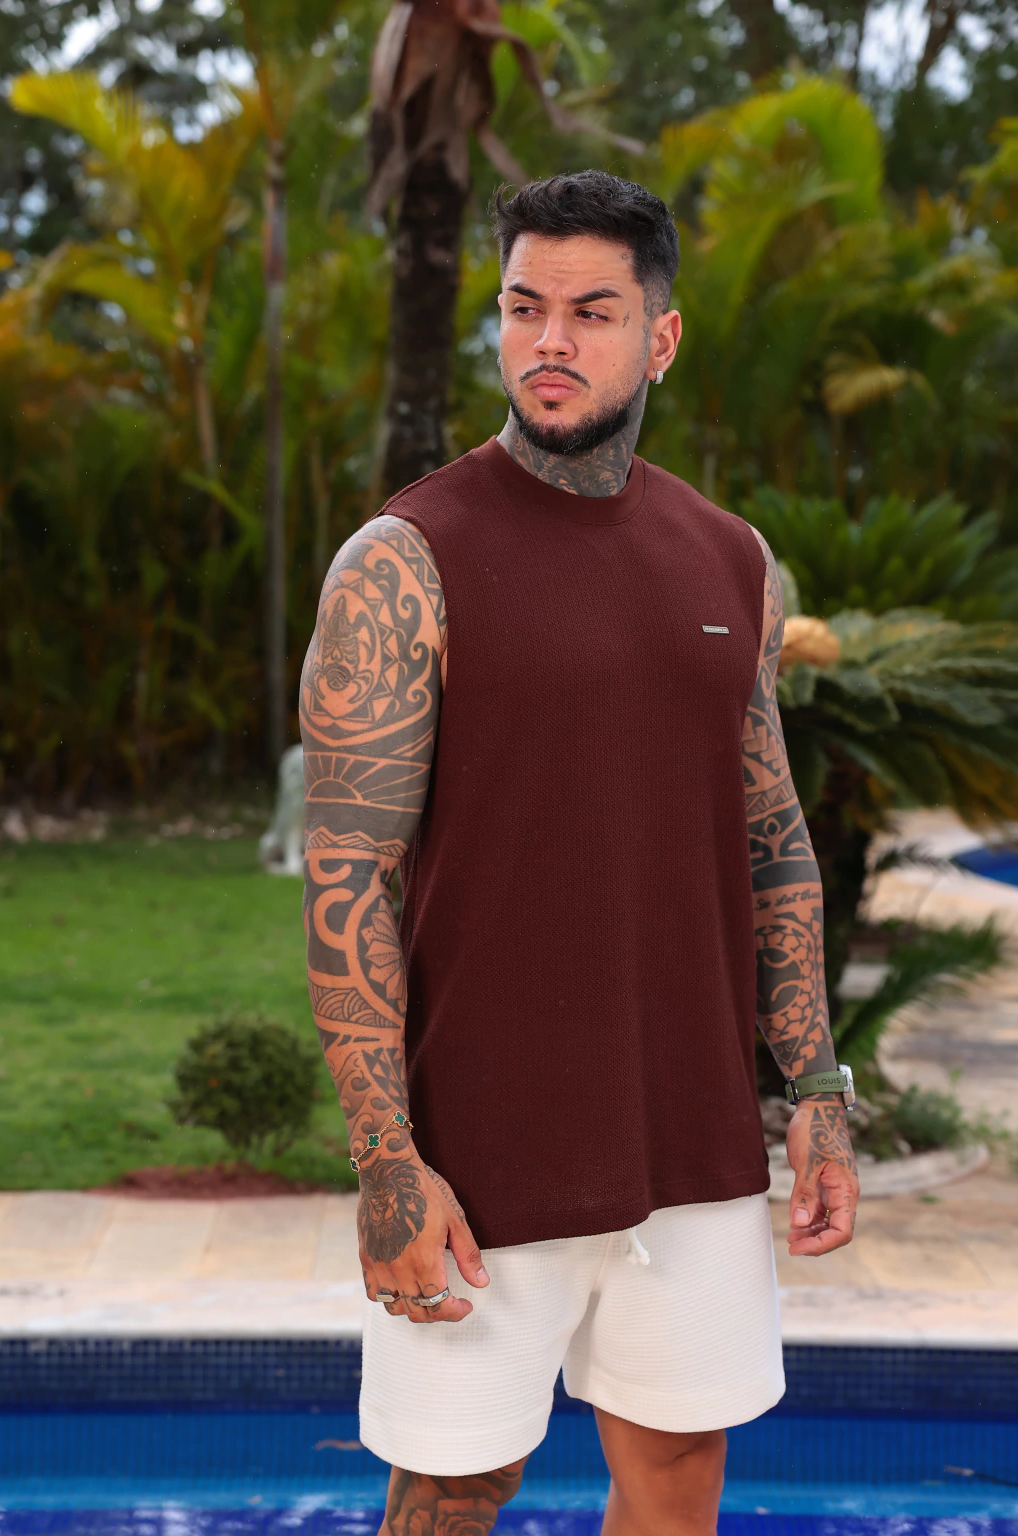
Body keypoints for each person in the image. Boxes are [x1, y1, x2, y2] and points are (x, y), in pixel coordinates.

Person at [299, 170, 859, 1536]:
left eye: (592, 312)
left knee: (678, 1468)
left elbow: (773, 840)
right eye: (524, 308)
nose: (549, 341)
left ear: (658, 339)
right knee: (455, 1485)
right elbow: (349, 879)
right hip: (481, 1143)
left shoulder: (734, 562)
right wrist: (387, 1161)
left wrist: (815, 1087)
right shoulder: (404, 561)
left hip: (692, 1133)